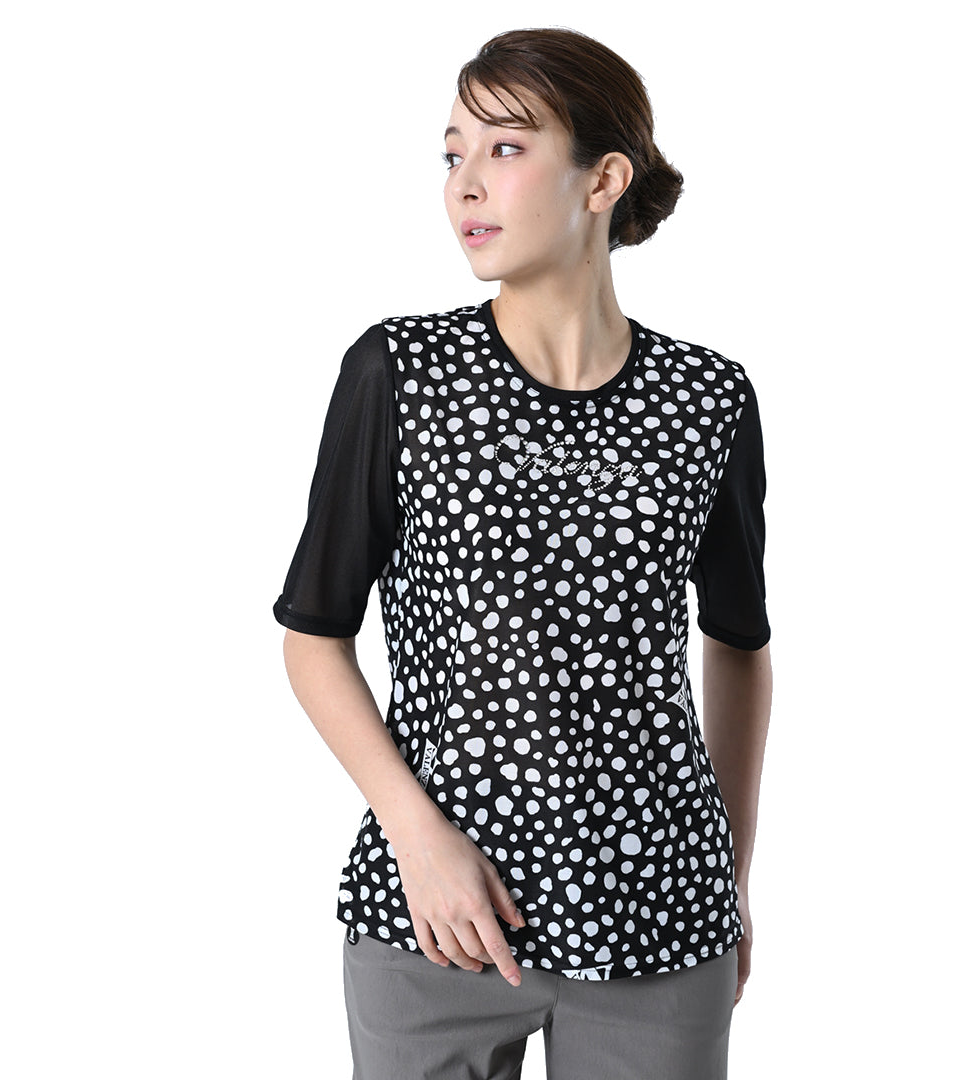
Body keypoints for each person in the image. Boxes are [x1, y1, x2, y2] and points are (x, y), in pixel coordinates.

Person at [273, 26, 773, 1080]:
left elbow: (738, 645)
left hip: (659, 917)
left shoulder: (709, 400)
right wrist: (417, 839)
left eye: (504, 148)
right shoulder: (400, 372)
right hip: (435, 922)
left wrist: (728, 877)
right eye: (451, 154)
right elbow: (313, 636)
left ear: (604, 179)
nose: (465, 183)